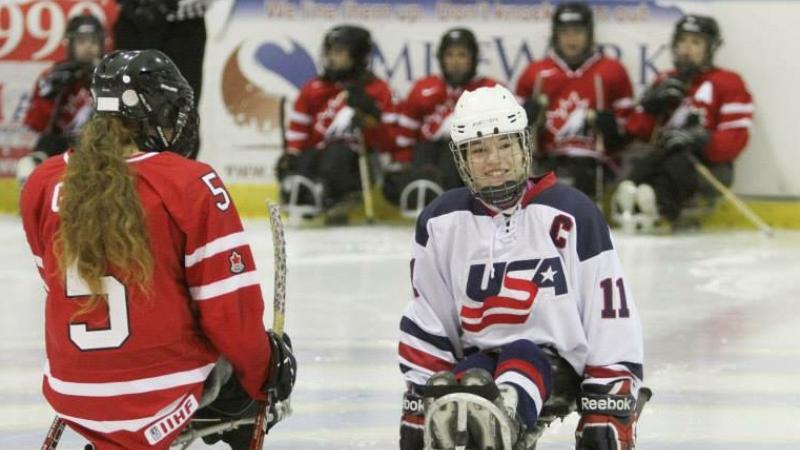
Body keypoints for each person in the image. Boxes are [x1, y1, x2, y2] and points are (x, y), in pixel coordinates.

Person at [20, 49, 296, 450]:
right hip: (161, 395)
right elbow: (229, 314)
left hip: (72, 392)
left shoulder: (43, 181)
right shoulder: (192, 184)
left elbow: (54, 287)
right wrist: (265, 375)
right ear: (158, 113)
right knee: (259, 362)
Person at [397, 86, 645, 450]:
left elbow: (608, 311)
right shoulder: (441, 221)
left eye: (504, 145)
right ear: (462, 158)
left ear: (524, 146)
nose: (493, 160)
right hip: (478, 362)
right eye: (478, 150)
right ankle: (473, 411)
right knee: (463, 383)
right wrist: (421, 400)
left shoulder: (570, 213)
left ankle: (504, 410)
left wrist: (610, 393)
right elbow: (430, 314)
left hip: (555, 366)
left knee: (521, 356)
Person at [614, 14, 754, 231]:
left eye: (696, 42)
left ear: (710, 48)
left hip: (707, 164)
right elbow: (637, 131)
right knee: (644, 165)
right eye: (682, 41)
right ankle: (633, 199)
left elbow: (736, 138)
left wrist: (700, 139)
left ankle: (657, 206)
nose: (687, 49)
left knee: (678, 164)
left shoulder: (729, 82)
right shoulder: (665, 80)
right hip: (663, 156)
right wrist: (651, 107)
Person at [276, 24, 396, 222]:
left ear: (357, 56)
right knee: (302, 161)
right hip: (320, 155)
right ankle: (308, 193)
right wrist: (292, 155)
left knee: (337, 153)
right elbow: (298, 130)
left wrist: (368, 120)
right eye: (330, 51)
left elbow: (388, 140)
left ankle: (336, 196)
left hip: (357, 161)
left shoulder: (377, 90)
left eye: (339, 52)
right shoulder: (314, 88)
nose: (331, 57)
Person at [515, 2, 634, 199]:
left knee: (580, 194)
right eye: (565, 32)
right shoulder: (535, 73)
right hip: (546, 160)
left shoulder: (612, 71)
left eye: (578, 32)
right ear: (555, 35)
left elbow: (629, 128)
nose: (572, 39)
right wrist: (524, 120)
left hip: (595, 163)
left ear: (590, 34)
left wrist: (613, 131)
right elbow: (511, 136)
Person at [388, 28, 499, 217]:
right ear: (441, 58)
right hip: (426, 157)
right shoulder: (423, 88)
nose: (455, 62)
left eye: (462, 55)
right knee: (423, 150)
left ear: (473, 59)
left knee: (454, 148)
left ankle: (445, 200)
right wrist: (404, 168)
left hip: (470, 167)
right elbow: (405, 141)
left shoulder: (490, 90)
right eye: (449, 55)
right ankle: (421, 190)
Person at [114, 0, 214, 159]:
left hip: (182, 24)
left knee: (179, 107)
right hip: (133, 19)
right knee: (126, 104)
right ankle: (129, 173)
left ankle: (178, 175)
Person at [17, 14, 106, 183]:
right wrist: (49, 97)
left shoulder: (109, 75)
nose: (88, 47)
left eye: (93, 41)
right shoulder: (52, 75)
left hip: (99, 145)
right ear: (70, 44)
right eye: (82, 41)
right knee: (28, 166)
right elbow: (35, 124)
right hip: (60, 146)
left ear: (102, 43)